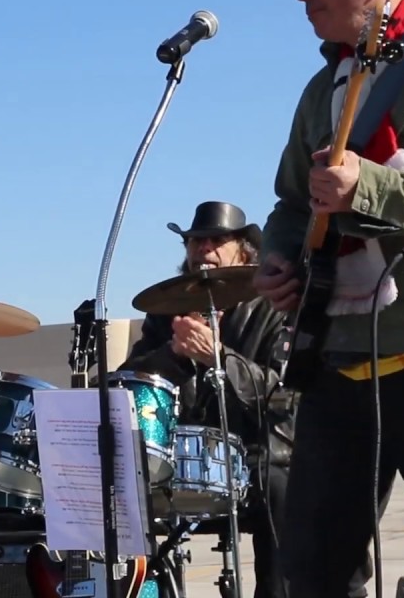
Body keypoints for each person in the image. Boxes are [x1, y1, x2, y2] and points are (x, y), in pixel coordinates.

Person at [253, 0, 404, 597]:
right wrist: (279, 259)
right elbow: (291, 201)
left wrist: (371, 190)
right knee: (312, 576)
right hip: (336, 360)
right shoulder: (326, 85)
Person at [122, 201, 299, 598]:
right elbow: (130, 381)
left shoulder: (274, 308)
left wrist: (220, 358)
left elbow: (284, 396)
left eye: (217, 240)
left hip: (258, 454)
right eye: (195, 242)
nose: (204, 249)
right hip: (182, 456)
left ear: (243, 250)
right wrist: (175, 355)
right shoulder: (166, 309)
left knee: (281, 485)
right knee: (121, 486)